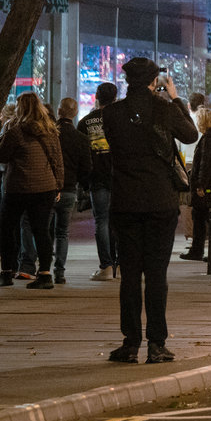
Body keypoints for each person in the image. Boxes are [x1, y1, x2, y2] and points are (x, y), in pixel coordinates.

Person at [102, 57, 198, 363]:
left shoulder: (113, 113)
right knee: (157, 274)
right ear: (154, 80)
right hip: (160, 201)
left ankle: (130, 343)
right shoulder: (164, 109)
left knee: (130, 275)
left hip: (126, 202)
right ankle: (157, 343)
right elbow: (191, 135)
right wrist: (176, 98)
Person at [0, 92, 64, 290]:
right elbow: (57, 160)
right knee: (41, 231)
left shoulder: (15, 131)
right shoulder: (50, 130)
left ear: (20, 108)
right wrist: (59, 184)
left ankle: (6, 272)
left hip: (19, 188)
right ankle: (45, 275)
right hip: (46, 187)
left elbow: (1, 156)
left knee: (7, 229)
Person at [78, 82, 119, 280]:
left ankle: (106, 266)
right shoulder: (121, 120)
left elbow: (81, 154)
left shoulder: (85, 122)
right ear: (115, 97)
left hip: (96, 177)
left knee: (101, 220)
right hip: (119, 177)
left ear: (96, 96)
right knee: (120, 221)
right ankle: (120, 263)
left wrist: (84, 179)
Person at [180, 108, 211, 262]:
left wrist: (201, 185)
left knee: (201, 219)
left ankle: (200, 251)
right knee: (205, 218)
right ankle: (208, 251)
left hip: (208, 187)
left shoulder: (209, 139)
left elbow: (205, 163)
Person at [52, 97, 92, 283]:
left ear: (59, 111)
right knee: (62, 231)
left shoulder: (50, 134)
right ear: (75, 113)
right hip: (68, 189)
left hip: (48, 187)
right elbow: (86, 168)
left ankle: (41, 267)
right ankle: (59, 271)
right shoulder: (81, 139)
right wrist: (84, 186)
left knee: (43, 228)